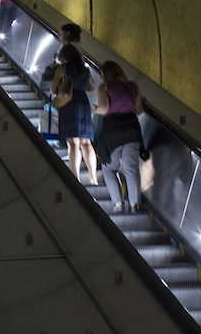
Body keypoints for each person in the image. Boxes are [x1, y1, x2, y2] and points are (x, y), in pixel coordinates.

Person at [94, 62, 145, 212]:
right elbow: (139, 109)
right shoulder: (133, 85)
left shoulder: (105, 86)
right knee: (131, 169)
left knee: (109, 169)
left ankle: (118, 204)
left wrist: (97, 110)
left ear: (105, 74)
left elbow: (104, 109)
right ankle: (135, 204)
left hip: (113, 131)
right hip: (131, 128)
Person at [52, 44, 99, 186]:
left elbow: (53, 89)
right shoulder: (85, 70)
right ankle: (93, 177)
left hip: (69, 103)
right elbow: (93, 88)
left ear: (64, 56)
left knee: (73, 142)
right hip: (83, 103)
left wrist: (63, 87)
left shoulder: (62, 68)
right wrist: (80, 88)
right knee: (86, 142)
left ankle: (76, 177)